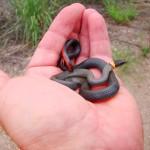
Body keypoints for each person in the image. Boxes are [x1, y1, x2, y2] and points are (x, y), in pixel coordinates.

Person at [0, 3, 143, 150]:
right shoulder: (93, 79)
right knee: (84, 77)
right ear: (114, 66)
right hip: (76, 78)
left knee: (86, 77)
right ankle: (71, 55)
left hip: (81, 78)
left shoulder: (104, 79)